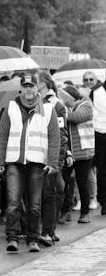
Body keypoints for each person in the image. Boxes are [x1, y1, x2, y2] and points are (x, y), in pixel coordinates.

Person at [0, 74, 60, 253]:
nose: (29, 89)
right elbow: (2, 135)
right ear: (21, 88)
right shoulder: (11, 107)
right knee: (13, 202)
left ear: (38, 88)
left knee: (34, 204)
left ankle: (32, 239)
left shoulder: (47, 109)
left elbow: (55, 137)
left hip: (37, 163)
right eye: (26, 86)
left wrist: (53, 162)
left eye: (32, 86)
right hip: (14, 161)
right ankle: (13, 237)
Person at [38, 71, 69, 246]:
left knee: (51, 192)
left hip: (50, 157)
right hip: (35, 155)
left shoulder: (56, 105)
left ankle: (48, 231)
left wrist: (57, 162)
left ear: (43, 84)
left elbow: (62, 136)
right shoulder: (34, 102)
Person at [62, 85, 95, 224]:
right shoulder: (66, 108)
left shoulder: (86, 105)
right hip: (68, 152)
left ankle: (85, 213)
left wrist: (61, 112)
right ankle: (65, 212)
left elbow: (76, 118)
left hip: (83, 152)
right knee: (63, 183)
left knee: (82, 183)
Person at [82, 71, 106, 214]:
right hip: (96, 134)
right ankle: (103, 202)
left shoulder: (102, 90)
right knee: (101, 170)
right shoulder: (85, 94)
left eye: (91, 79)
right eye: (86, 79)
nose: (89, 81)